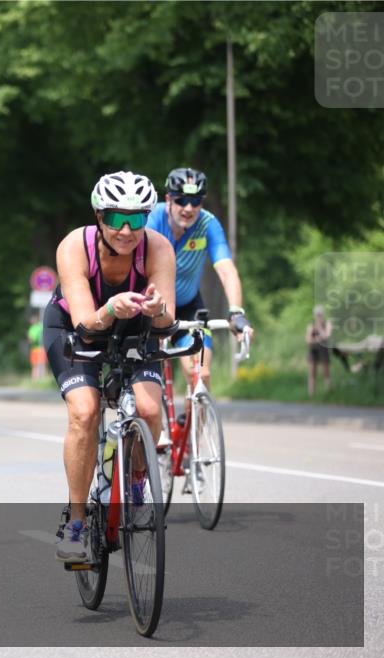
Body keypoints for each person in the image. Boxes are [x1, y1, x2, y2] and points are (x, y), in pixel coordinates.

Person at [45, 171, 176, 563]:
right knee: (84, 413)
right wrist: (109, 310)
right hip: (75, 327)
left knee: (151, 410)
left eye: (136, 219)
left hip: (136, 327)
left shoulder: (158, 248)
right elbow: (86, 324)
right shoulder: (74, 246)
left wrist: (157, 311)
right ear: (99, 217)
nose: (125, 229)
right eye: (116, 218)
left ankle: (136, 481)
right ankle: (78, 521)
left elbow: (166, 324)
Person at [146, 167, 254, 389]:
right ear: (168, 199)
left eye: (196, 201)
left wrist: (237, 313)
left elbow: (227, 270)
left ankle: (195, 417)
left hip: (188, 306)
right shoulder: (152, 219)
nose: (188, 208)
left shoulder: (208, 224)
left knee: (200, 374)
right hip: (152, 307)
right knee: (148, 390)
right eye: (181, 200)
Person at [306, 305, 333, 397]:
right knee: (312, 371)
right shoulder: (311, 325)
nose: (319, 316)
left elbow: (327, 336)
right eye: (317, 315)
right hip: (314, 350)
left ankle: (328, 391)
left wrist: (320, 329)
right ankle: (311, 394)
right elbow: (308, 340)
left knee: (326, 371)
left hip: (324, 349)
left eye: (320, 314)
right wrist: (318, 339)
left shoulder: (327, 323)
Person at [27, 315, 47, 380]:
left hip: (40, 348)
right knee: (36, 365)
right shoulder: (34, 328)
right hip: (36, 348)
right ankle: (36, 379)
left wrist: (31, 339)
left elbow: (31, 339)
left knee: (40, 365)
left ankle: (40, 379)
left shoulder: (38, 327)